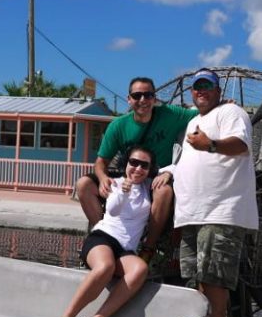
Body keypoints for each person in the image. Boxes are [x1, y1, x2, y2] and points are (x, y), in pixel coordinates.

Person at [161, 68, 259, 317]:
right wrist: (168, 172)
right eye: (196, 87)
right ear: (192, 92)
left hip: (220, 211)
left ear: (218, 91)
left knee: (214, 274)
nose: (201, 90)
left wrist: (212, 144)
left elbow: (241, 146)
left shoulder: (231, 114)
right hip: (191, 213)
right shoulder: (193, 122)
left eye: (207, 86)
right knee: (196, 276)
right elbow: (185, 162)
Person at [75, 77, 198, 259]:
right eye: (137, 95)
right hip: (127, 174)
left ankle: (148, 248)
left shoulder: (170, 114)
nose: (143, 100)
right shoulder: (118, 125)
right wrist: (102, 178)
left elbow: (203, 113)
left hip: (156, 174)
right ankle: (104, 236)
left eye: (148, 95)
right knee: (83, 184)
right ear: (129, 99)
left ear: (154, 98)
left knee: (163, 191)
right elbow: (101, 162)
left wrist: (223, 106)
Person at [52, 146, 155, 317]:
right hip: (103, 237)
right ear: (126, 164)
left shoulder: (148, 188)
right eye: (133, 163)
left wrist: (167, 174)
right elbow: (114, 210)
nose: (138, 168)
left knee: (140, 269)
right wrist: (123, 192)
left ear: (150, 169)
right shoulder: (115, 183)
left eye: (144, 165)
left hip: (126, 249)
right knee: (105, 266)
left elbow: (173, 169)